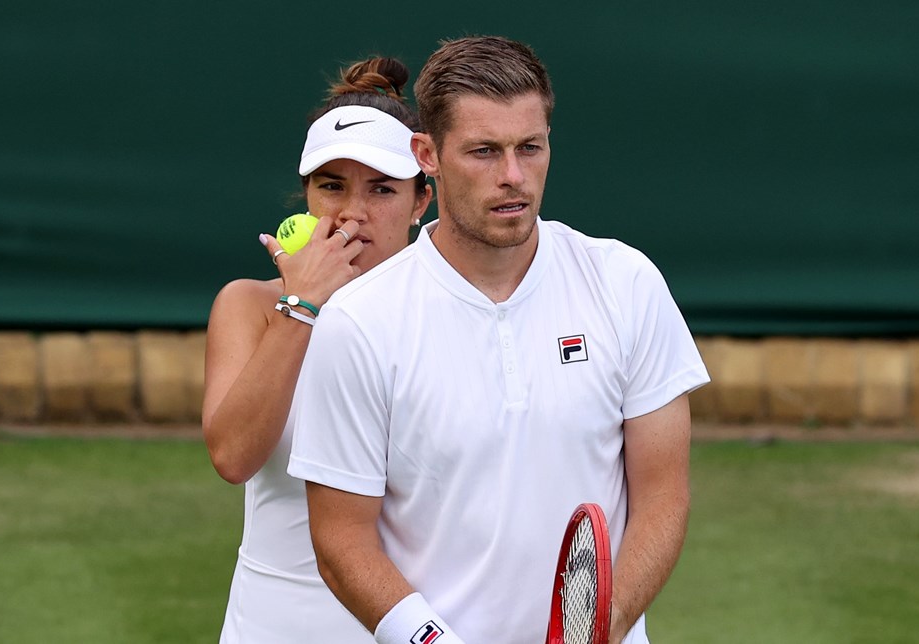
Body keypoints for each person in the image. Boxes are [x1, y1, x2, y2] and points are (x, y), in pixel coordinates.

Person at [287, 36, 710, 643]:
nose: (513, 177)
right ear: (426, 154)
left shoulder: (626, 282)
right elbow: (340, 541)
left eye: (529, 148)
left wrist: (601, 626)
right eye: (484, 152)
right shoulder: (359, 322)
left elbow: (663, 498)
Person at [201, 56, 432, 643]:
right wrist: (301, 308)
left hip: (415, 620)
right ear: (305, 196)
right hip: (272, 623)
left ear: (420, 202)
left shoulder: (447, 310)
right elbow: (232, 456)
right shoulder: (248, 304)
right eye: (332, 186)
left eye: (382, 189)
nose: (353, 211)